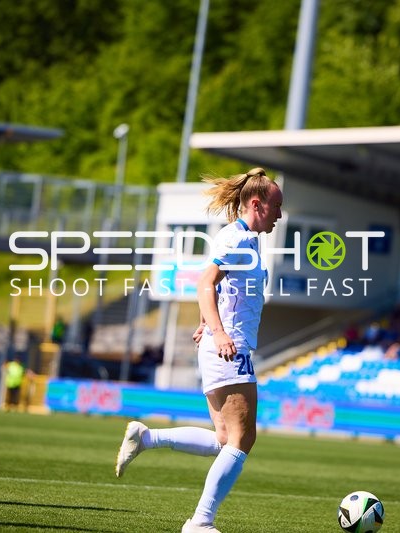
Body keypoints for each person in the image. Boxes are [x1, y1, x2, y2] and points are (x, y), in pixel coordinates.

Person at [114, 168, 282, 533]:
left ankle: (148, 438)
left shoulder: (247, 240)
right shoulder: (237, 239)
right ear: (257, 204)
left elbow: (221, 289)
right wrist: (218, 332)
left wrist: (207, 323)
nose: (280, 215)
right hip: (230, 347)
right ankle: (200, 523)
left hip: (223, 344)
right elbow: (205, 281)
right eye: (277, 207)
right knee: (242, 439)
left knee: (224, 438)